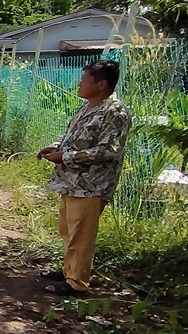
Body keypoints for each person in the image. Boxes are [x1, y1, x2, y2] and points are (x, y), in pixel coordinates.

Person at [36, 59, 131, 296]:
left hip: (91, 184)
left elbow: (110, 151)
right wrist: (54, 147)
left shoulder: (114, 112)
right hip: (71, 182)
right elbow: (69, 135)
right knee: (67, 230)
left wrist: (66, 157)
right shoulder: (86, 107)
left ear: (101, 84)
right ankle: (69, 271)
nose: (78, 85)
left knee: (82, 234)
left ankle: (77, 283)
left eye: (84, 80)